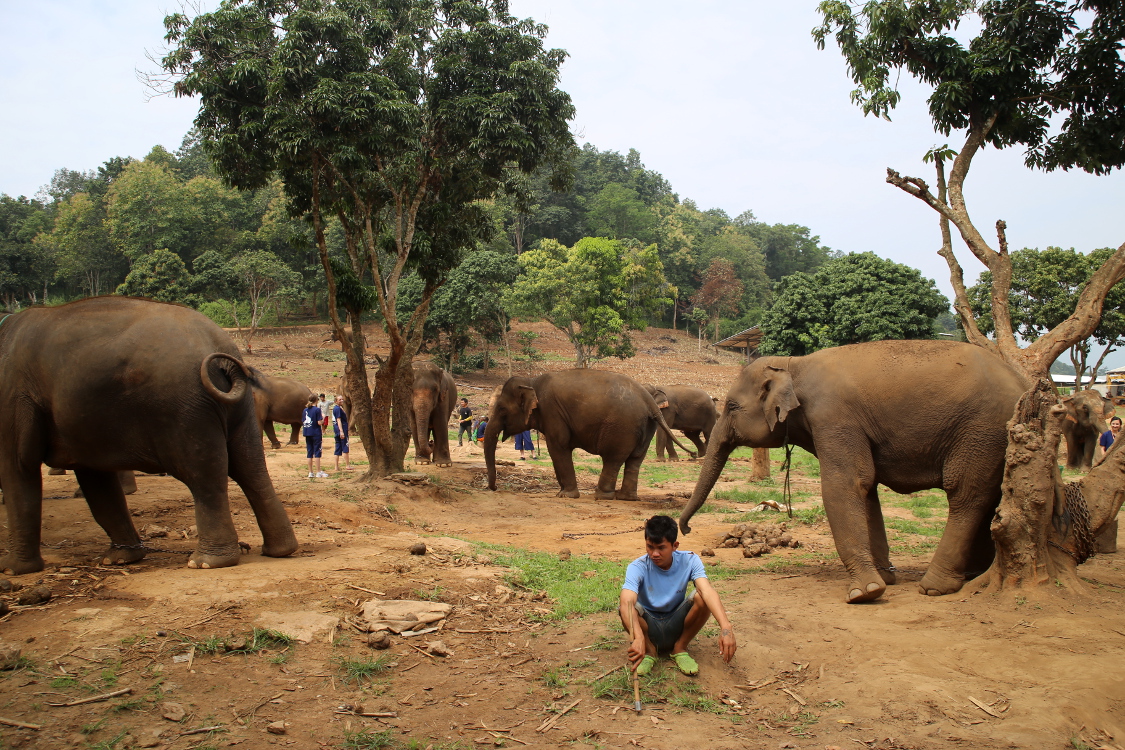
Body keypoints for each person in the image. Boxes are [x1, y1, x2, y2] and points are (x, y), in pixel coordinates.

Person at [620, 515, 736, 677]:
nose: (654, 554)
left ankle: (679, 648)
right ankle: (649, 651)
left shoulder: (690, 560)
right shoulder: (637, 567)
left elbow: (707, 591)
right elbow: (627, 600)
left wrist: (726, 627)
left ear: (675, 545)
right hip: (648, 626)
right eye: (650, 547)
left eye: (661, 548)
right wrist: (637, 637)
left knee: (702, 597)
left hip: (676, 623)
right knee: (626, 606)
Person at [303, 394, 327, 478]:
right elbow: (319, 423)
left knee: (309, 452)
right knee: (317, 452)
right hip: (316, 433)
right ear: (316, 400)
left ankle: (310, 472)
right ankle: (318, 471)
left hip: (307, 432)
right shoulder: (317, 410)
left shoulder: (305, 410)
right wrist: (323, 417)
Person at [332, 394, 350, 472]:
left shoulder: (337, 408)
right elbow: (338, 420)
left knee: (337, 448)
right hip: (341, 430)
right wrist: (341, 431)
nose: (341, 401)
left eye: (342, 399)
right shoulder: (338, 409)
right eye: (339, 400)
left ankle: (336, 467)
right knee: (345, 447)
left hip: (337, 431)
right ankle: (347, 465)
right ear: (336, 401)